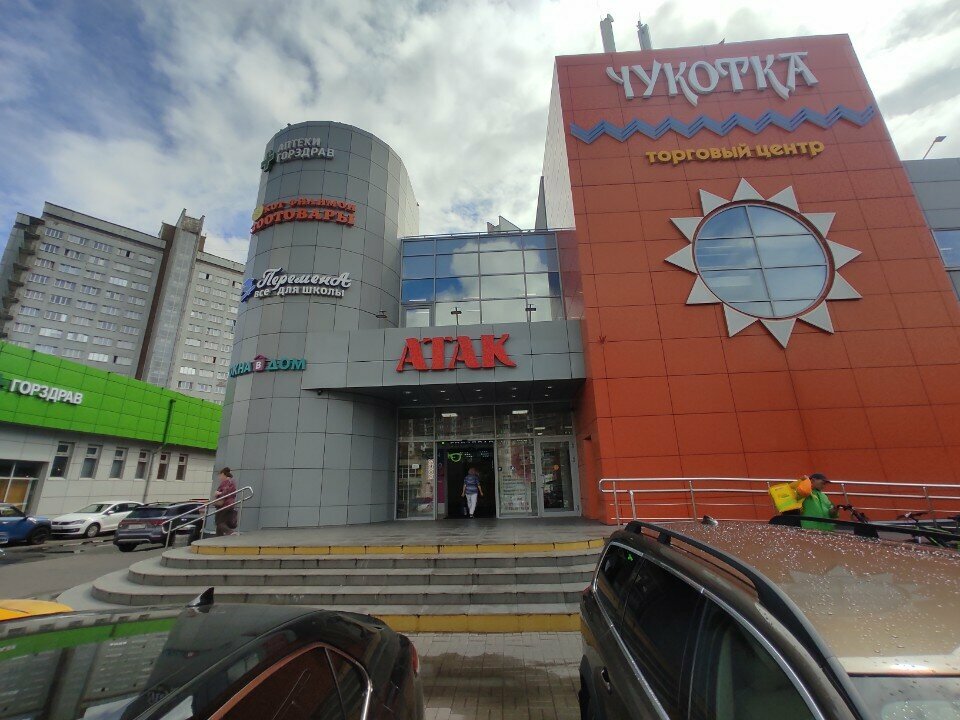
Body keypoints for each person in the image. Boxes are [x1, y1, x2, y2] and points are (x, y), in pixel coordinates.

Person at [214, 467, 237, 537]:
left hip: (224, 505)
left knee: (219, 522)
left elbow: (226, 492)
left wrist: (218, 493)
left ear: (224, 474)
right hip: (229, 504)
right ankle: (218, 538)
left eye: (220, 475)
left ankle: (231, 532)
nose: (220, 478)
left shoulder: (226, 482)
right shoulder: (231, 482)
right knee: (220, 523)